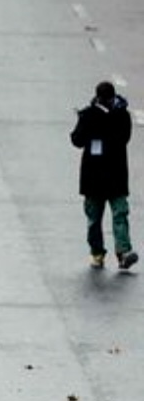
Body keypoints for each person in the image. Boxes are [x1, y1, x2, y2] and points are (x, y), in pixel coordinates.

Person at [71, 80, 134, 269]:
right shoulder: (89, 115)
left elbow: (123, 138)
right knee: (95, 219)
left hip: (112, 176)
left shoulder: (121, 115)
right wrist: (86, 121)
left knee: (120, 214)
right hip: (96, 177)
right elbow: (77, 140)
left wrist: (97, 124)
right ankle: (97, 252)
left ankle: (123, 252)